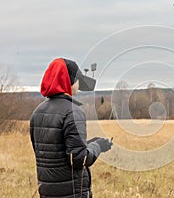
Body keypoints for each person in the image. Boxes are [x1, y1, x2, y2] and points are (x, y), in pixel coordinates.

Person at [30, 58, 113, 198]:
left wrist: (90, 143)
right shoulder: (73, 112)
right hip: (71, 193)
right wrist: (98, 146)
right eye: (77, 79)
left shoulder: (37, 112)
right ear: (69, 81)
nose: (79, 84)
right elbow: (80, 160)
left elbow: (55, 151)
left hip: (46, 192)